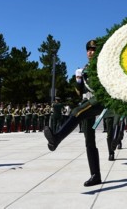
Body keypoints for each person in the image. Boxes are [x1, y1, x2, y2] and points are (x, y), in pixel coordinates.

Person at [44, 40, 105, 187]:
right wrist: (78, 80)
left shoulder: (102, 64)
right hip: (87, 102)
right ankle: (95, 175)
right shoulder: (84, 68)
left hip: (99, 99)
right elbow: (79, 92)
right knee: (89, 139)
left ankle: (57, 138)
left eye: (93, 49)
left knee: (77, 112)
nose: (90, 52)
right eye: (88, 49)